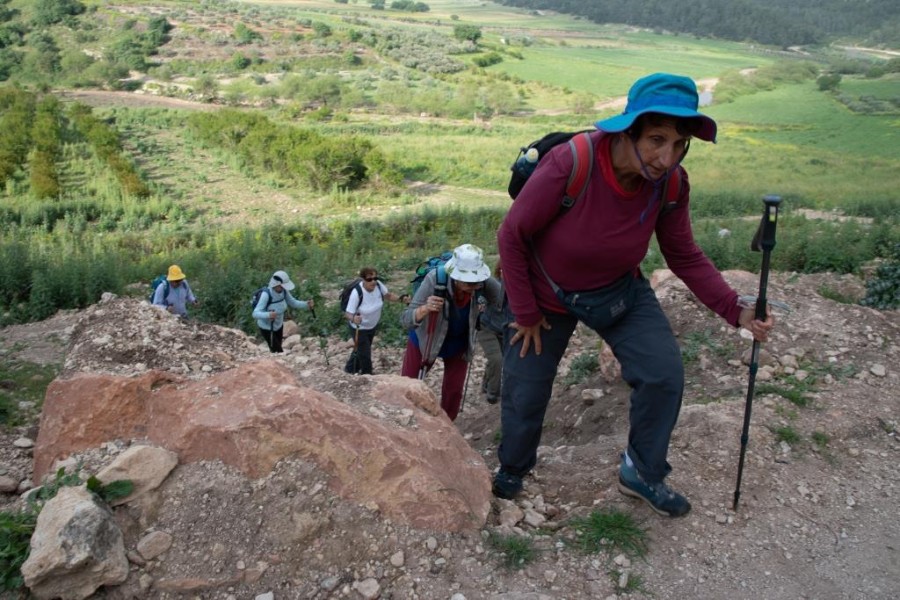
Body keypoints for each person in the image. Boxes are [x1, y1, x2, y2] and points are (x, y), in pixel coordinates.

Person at [493, 73, 776, 517]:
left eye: (680, 143)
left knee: (663, 375)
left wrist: (734, 309)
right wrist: (524, 313)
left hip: (619, 290)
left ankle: (642, 473)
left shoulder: (672, 184)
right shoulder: (571, 164)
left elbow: (682, 253)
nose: (668, 157)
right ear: (628, 130)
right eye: (657, 140)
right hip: (544, 295)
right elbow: (512, 234)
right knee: (526, 389)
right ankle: (513, 468)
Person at [400, 244, 503, 421]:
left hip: (458, 342)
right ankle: (404, 421)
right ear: (455, 276)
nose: (473, 285)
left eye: (475, 281)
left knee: (454, 391)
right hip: (426, 340)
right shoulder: (434, 279)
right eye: (468, 282)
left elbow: (506, 302)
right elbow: (406, 319)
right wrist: (425, 309)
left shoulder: (482, 283)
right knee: (408, 386)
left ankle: (446, 426)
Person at [344, 267, 409, 375]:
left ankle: (349, 370)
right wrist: (354, 318)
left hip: (371, 326)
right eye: (369, 279)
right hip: (359, 328)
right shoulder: (357, 293)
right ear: (363, 280)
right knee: (365, 354)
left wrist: (400, 299)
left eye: (375, 278)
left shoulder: (378, 285)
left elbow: (388, 295)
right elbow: (348, 313)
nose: (373, 281)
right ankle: (367, 376)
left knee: (362, 349)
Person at [252, 270, 315, 353]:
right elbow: (255, 314)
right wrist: (268, 315)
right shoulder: (266, 295)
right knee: (278, 351)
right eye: (282, 286)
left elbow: (293, 302)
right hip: (267, 328)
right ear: (276, 284)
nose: (284, 287)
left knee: (276, 351)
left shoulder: (284, 291)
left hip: (279, 326)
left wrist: (306, 304)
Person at [475, 263, 505, 404]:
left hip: (504, 329)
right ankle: (493, 393)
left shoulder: (522, 287)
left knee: (498, 359)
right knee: (496, 359)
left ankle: (486, 383)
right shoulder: (492, 285)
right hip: (486, 327)